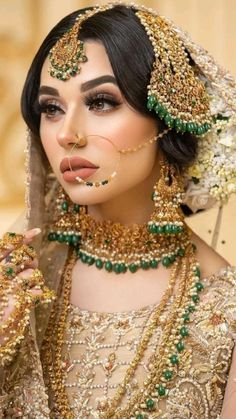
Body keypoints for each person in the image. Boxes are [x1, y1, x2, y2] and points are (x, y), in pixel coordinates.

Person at [0, 3, 236, 418]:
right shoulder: (16, 284)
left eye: (102, 102)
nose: (68, 134)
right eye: (51, 108)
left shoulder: (224, 311)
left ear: (167, 119)